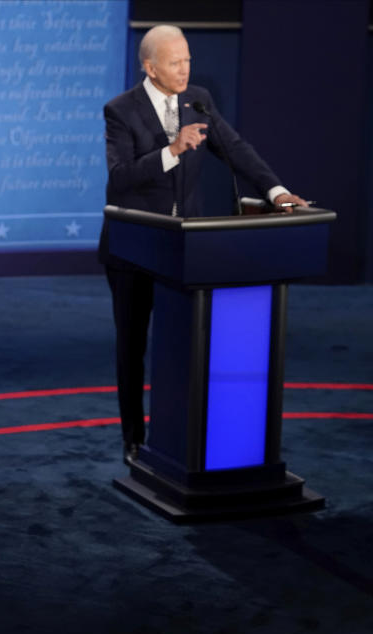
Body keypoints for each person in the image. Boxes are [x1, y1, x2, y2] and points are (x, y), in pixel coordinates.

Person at [98, 25, 308, 465]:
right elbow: (119, 179)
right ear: (149, 67)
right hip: (133, 247)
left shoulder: (198, 100)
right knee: (132, 346)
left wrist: (277, 192)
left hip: (185, 248)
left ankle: (181, 435)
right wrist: (173, 149)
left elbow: (236, 148)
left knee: (185, 342)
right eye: (174, 63)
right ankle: (133, 438)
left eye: (188, 59)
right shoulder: (120, 110)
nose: (184, 69)